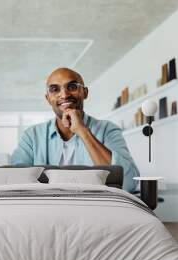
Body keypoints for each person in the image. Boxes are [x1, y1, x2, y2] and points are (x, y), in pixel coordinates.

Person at [11, 67, 139, 192]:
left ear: (85, 92)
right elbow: (15, 182)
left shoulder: (108, 130)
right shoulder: (32, 136)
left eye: (72, 87)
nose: (64, 95)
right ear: (48, 99)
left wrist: (83, 131)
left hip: (94, 207)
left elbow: (128, 183)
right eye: (55, 89)